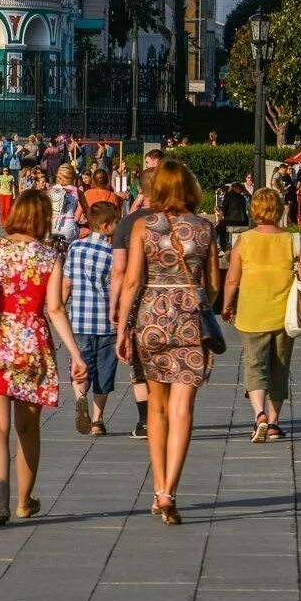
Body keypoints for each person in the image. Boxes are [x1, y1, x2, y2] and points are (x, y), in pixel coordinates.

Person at [0, 189, 87, 525]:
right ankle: (23, 500)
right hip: (32, 346)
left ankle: (0, 501)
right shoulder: (50, 256)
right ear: (44, 219)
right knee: (27, 429)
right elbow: (56, 309)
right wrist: (76, 355)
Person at [116, 160, 220, 525]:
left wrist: (120, 329)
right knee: (182, 408)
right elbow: (213, 286)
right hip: (190, 320)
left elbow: (131, 281)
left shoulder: (144, 226)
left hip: (151, 320)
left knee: (156, 408)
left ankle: (157, 486)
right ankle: (169, 491)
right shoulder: (205, 229)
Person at [222, 186, 301, 441]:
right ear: (279, 210)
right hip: (286, 316)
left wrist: (227, 305)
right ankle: (273, 423)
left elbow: (232, 279)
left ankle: (259, 414)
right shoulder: (294, 240)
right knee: (279, 368)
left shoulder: (245, 240)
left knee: (255, 365)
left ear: (255, 211)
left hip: (251, 314)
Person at [62, 200, 125, 436]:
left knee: (81, 364)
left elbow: (66, 284)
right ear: (107, 226)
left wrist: (58, 307)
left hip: (79, 320)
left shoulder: (75, 248)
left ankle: (80, 397)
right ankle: (98, 420)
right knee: (104, 371)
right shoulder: (113, 255)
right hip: (107, 323)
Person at [48, 163, 81, 246]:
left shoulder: (51, 189)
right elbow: (86, 209)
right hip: (69, 226)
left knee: (49, 250)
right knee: (70, 249)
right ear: (72, 177)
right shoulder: (77, 191)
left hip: (51, 225)